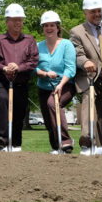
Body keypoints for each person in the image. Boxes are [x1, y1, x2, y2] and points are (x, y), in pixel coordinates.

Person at [0, 3, 38, 152]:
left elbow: (33, 61)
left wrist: (18, 68)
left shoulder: (29, 40)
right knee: (3, 99)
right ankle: (1, 139)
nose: (17, 23)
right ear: (7, 22)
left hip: (20, 84)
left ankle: (15, 145)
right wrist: (4, 68)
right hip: (1, 83)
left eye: (20, 20)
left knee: (19, 113)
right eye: (14, 20)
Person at [69, 0, 102, 155]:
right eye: (93, 11)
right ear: (85, 13)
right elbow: (77, 53)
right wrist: (85, 62)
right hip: (88, 78)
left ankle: (99, 148)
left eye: (99, 10)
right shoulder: (77, 31)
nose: (97, 14)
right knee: (89, 103)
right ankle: (86, 140)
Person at [35, 11, 76, 154]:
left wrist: (60, 85)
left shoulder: (66, 45)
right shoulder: (38, 46)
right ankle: (55, 147)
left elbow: (70, 69)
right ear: (43, 28)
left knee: (53, 103)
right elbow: (34, 67)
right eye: (46, 25)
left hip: (65, 85)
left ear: (58, 27)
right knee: (48, 119)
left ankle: (66, 142)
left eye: (52, 25)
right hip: (44, 87)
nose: (49, 28)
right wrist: (44, 73)